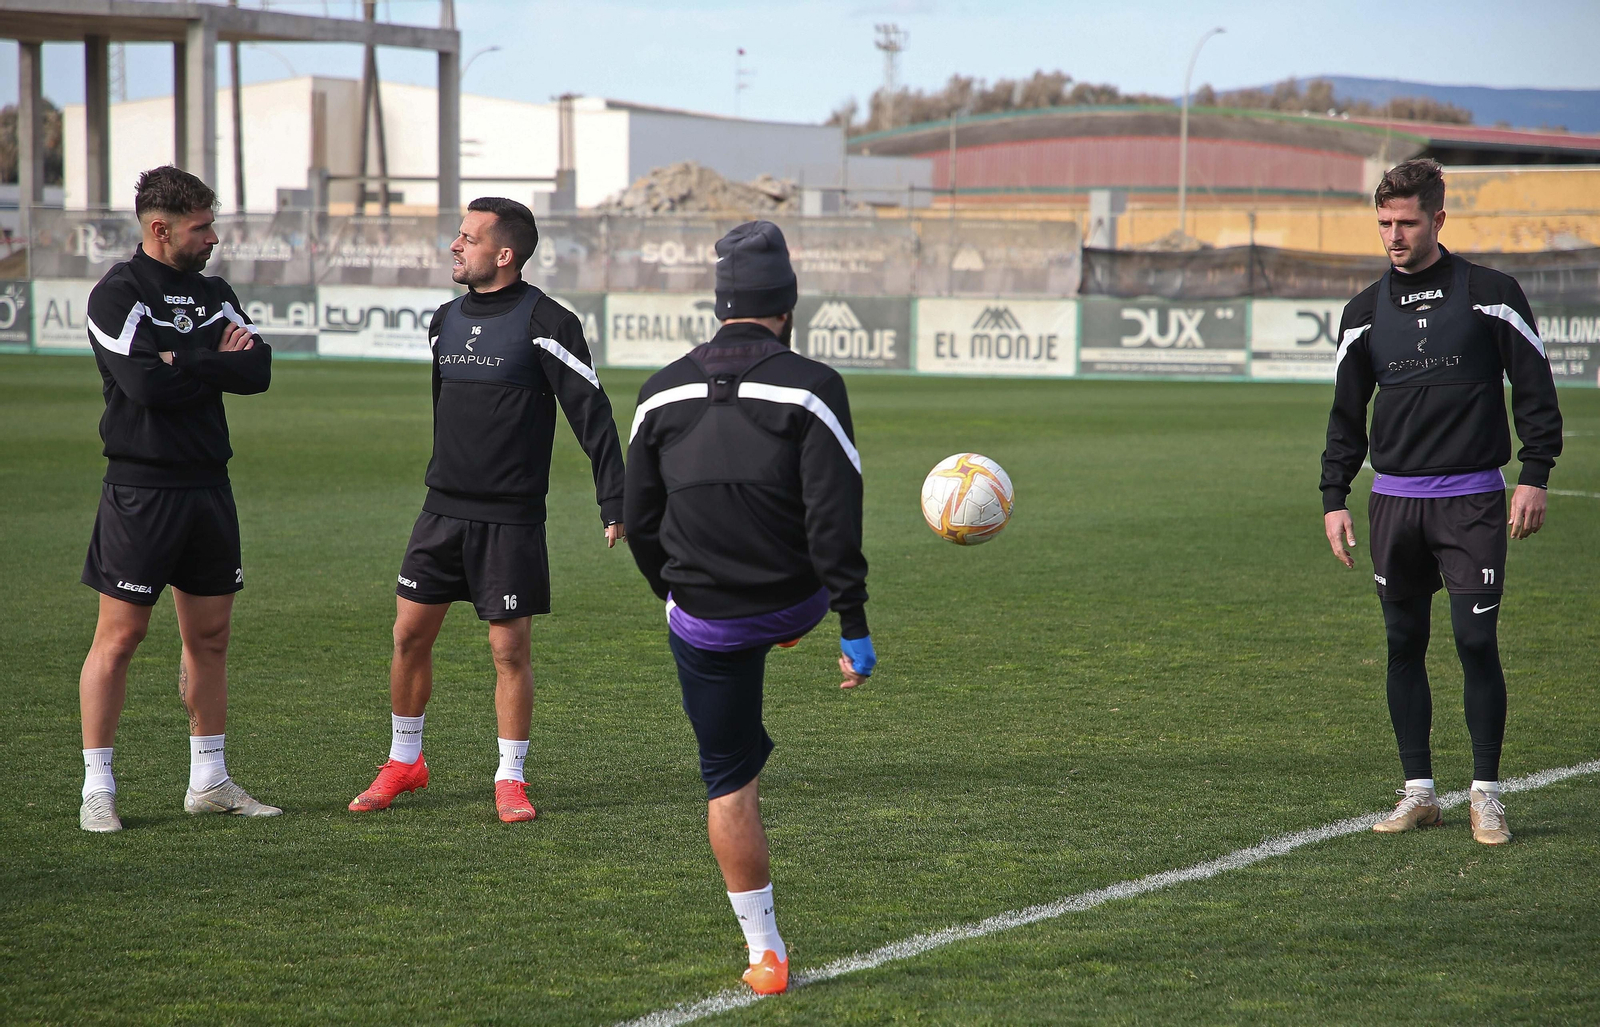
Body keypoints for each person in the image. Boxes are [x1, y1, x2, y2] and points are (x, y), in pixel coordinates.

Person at [624, 220, 876, 995]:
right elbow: (834, 519)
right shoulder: (814, 385)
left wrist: (673, 591)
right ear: (787, 305)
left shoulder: (658, 390)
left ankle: (766, 953)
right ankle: (787, 632)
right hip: (794, 600)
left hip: (705, 615)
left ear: (719, 303)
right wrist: (852, 625)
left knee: (728, 782)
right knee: (786, 585)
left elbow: (639, 521)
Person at [349, 197, 626, 823]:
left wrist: (614, 499)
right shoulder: (444, 320)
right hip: (441, 510)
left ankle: (510, 778)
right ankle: (404, 761)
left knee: (509, 651)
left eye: (468, 238)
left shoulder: (548, 321)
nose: (455, 245)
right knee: (408, 635)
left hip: (511, 518)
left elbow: (592, 412)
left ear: (504, 254)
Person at [1320, 158, 1562, 846]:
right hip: (1394, 503)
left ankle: (1486, 794)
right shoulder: (1362, 312)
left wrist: (1535, 472)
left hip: (1471, 500)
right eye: (1384, 223)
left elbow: (1534, 387)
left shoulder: (1491, 294)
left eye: (1406, 222)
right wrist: (1334, 495)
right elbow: (1345, 416)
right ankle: (1420, 792)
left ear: (1438, 219)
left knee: (1474, 641)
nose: (1393, 236)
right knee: (1403, 641)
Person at [77, 165, 276, 833]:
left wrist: (179, 357)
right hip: (142, 488)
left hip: (209, 484)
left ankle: (209, 780)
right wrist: (210, 359)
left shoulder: (215, 292)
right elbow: (143, 388)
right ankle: (98, 788)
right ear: (160, 229)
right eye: (202, 227)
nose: (213, 238)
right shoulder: (119, 294)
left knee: (211, 637)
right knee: (121, 636)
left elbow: (258, 369)